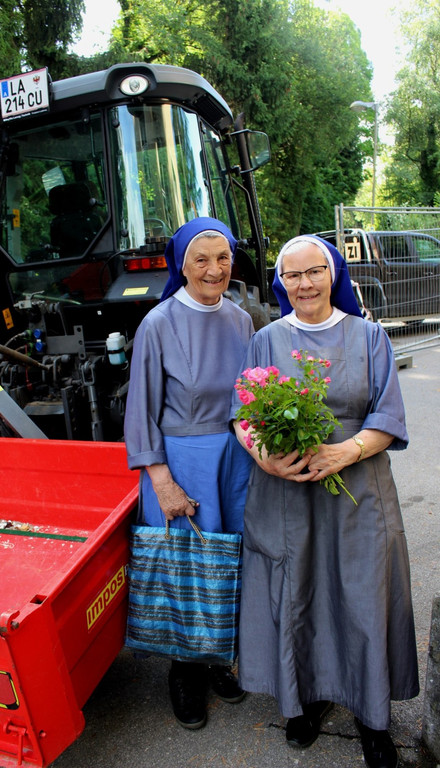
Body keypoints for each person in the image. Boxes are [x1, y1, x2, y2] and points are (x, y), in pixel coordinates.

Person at [232, 235, 419, 768]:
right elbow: (241, 413)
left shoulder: (369, 336)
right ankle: (305, 700)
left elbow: (388, 416)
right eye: (292, 275)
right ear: (281, 283)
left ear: (333, 275)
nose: (304, 284)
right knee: (300, 595)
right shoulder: (266, 340)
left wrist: (344, 451)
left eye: (314, 271)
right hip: (288, 492)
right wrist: (264, 455)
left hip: (357, 491)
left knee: (362, 595)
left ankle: (372, 717)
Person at [124, 217, 254, 730]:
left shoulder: (241, 319)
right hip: (180, 461)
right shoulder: (158, 323)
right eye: (202, 259)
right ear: (182, 265)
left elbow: (251, 393)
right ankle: (184, 671)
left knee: (225, 559)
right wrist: (162, 481)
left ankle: (217, 655)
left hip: (234, 460)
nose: (214, 269)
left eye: (223, 258)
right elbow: (141, 410)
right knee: (185, 567)